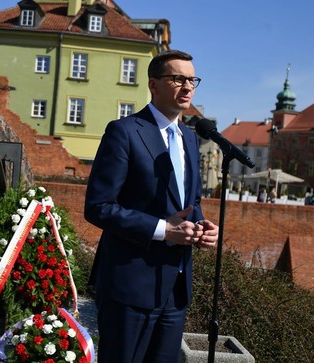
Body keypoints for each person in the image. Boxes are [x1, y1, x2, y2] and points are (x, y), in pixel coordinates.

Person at [84, 50, 219, 362]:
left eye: (192, 80)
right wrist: (163, 230)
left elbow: (190, 202)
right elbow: (98, 206)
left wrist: (200, 228)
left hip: (174, 288)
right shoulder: (124, 131)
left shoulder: (189, 138)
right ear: (154, 85)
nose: (188, 87)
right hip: (129, 286)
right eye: (178, 79)